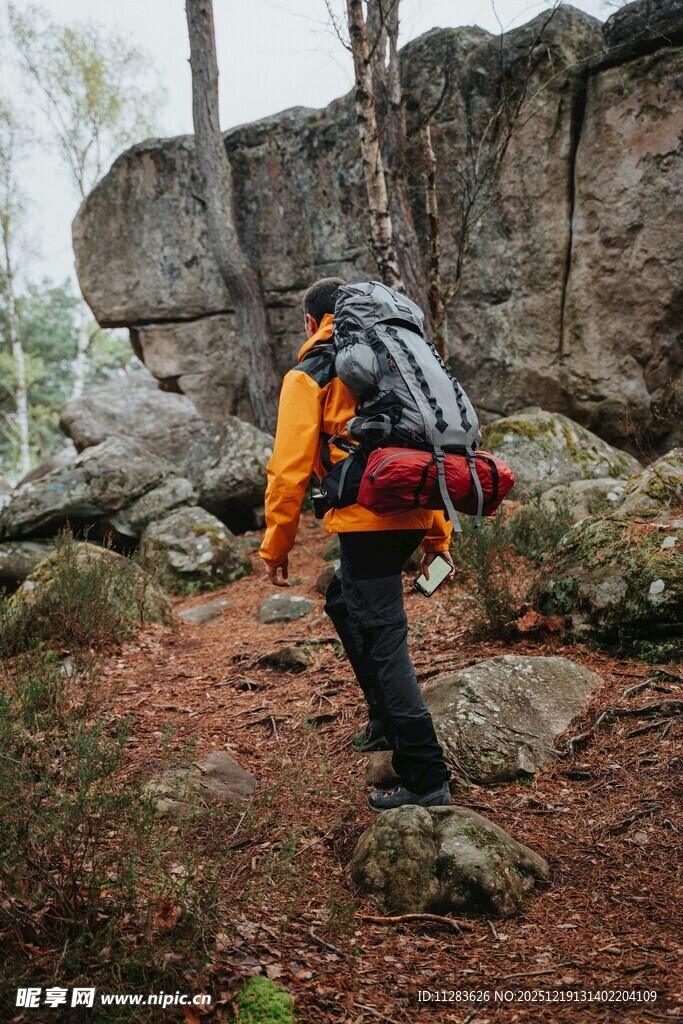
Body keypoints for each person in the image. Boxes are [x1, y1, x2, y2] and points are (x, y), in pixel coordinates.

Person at [258, 277, 452, 812]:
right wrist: (437, 533)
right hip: (410, 511)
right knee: (345, 602)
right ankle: (384, 721)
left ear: (310, 322)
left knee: (386, 641)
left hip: (369, 521)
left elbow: (288, 471)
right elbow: (421, 449)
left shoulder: (310, 372)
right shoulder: (394, 363)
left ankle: (426, 776)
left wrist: (277, 546)